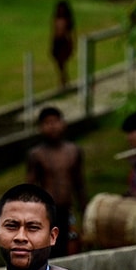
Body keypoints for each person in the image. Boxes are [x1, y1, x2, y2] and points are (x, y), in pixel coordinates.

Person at [25, 107, 86, 258]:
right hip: (47, 212)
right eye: (47, 123)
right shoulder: (37, 155)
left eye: (55, 122)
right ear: (40, 127)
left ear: (62, 123)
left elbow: (79, 185)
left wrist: (84, 212)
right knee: (49, 252)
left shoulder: (73, 151)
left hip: (68, 210)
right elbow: (31, 187)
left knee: (71, 251)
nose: (52, 127)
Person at [50, 0, 75, 91]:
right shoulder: (56, 19)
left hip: (64, 42)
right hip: (57, 42)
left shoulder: (67, 20)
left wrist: (71, 45)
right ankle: (63, 80)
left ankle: (63, 82)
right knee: (59, 64)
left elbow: (71, 34)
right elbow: (54, 32)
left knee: (62, 63)